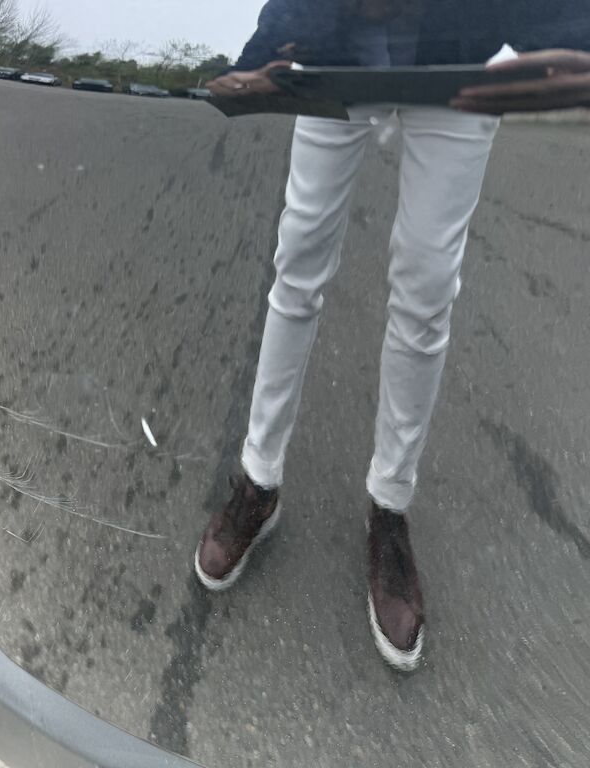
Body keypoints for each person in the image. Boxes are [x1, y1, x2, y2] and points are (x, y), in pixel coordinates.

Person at [196, 0, 590, 672]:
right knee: (298, 261)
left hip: (457, 51)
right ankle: (259, 480)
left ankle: (389, 505)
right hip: (339, 49)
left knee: (428, 290)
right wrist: (263, 51)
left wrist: (575, 37)